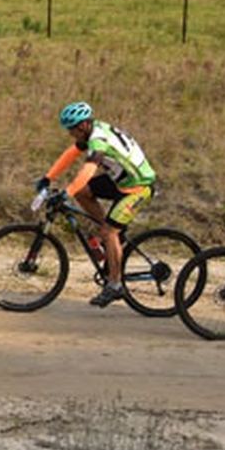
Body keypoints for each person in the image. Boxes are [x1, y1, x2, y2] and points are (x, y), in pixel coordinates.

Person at [35, 101, 157, 308]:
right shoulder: (92, 130)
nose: (70, 134)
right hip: (122, 182)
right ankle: (108, 233)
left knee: (110, 232)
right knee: (84, 193)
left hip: (139, 188)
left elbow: (89, 170)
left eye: (71, 130)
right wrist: (49, 177)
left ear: (82, 126)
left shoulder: (98, 140)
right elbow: (71, 153)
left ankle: (115, 285)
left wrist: (67, 193)